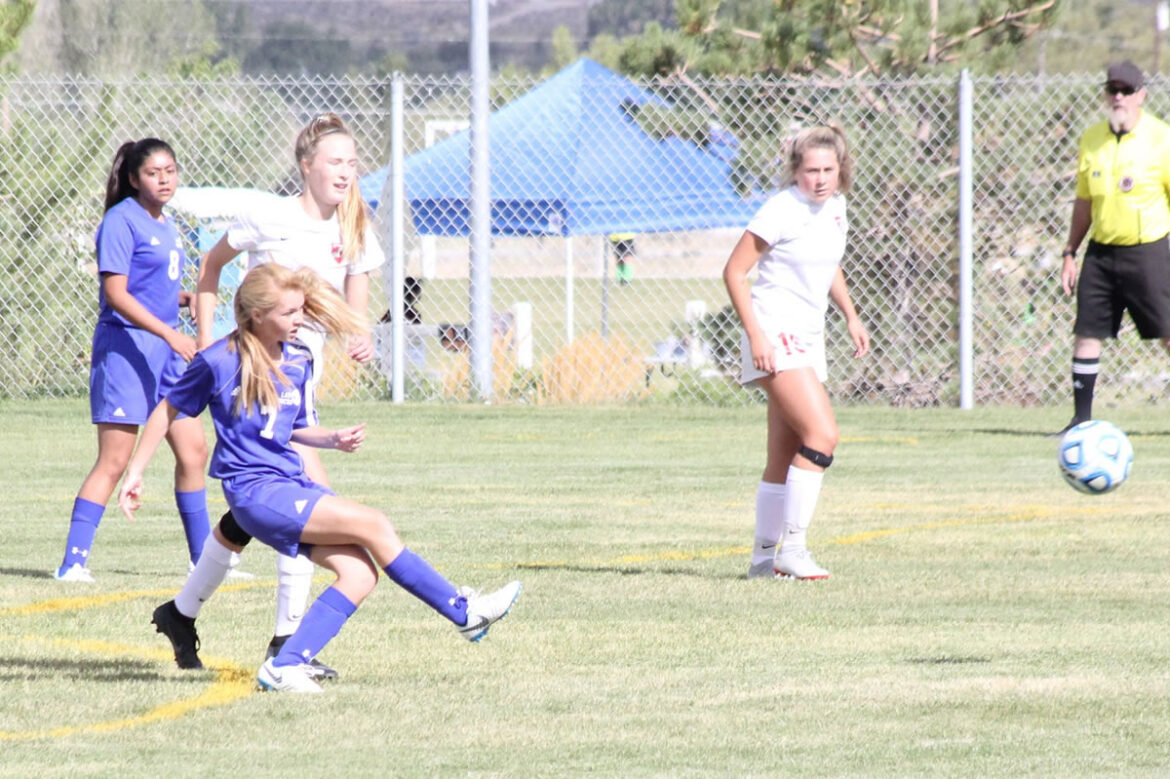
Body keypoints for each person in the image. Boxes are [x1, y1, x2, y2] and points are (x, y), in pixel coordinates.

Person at [119, 263, 522, 693]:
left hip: (289, 485)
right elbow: (167, 409)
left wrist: (330, 438)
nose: (299, 320)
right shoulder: (220, 360)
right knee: (375, 524)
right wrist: (136, 472)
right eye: (289, 312)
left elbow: (291, 427)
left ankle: (286, 664)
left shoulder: (299, 358)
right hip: (255, 494)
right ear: (257, 314)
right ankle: (464, 613)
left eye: (301, 311)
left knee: (360, 574)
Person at [159, 112, 384, 678]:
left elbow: (356, 299)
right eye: (335, 161)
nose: (346, 171)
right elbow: (211, 267)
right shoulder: (268, 216)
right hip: (254, 381)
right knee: (306, 499)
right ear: (306, 165)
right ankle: (286, 645)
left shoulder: (354, 224)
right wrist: (212, 345)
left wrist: (361, 335)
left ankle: (182, 613)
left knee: (253, 514)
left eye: (353, 162)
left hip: (297, 385)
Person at [55, 138, 211, 583]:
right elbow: (116, 294)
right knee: (114, 459)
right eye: (153, 173)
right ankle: (73, 563)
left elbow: (155, 290)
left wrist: (183, 300)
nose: (164, 179)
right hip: (127, 348)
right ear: (132, 179)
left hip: (167, 352)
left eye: (170, 170)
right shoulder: (120, 221)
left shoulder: (168, 223)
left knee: (194, 450)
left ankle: (204, 561)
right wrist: (168, 331)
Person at [722, 124, 870, 581]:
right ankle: (794, 549)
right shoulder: (781, 209)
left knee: (783, 456)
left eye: (828, 169)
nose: (820, 178)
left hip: (807, 339)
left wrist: (850, 313)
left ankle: (763, 561)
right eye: (810, 171)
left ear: (840, 170)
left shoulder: (835, 208)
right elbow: (734, 272)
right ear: (795, 171)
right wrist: (756, 336)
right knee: (823, 437)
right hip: (775, 334)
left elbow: (827, 264)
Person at [1058, 60, 1170, 433]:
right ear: (1106, 95)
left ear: (1142, 95)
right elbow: (1084, 201)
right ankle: (1080, 421)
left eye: (1126, 91)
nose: (1118, 97)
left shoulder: (1161, 137)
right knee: (1087, 333)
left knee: (1168, 333)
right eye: (1113, 90)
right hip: (1102, 252)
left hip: (1149, 250)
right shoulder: (1092, 139)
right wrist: (1070, 251)